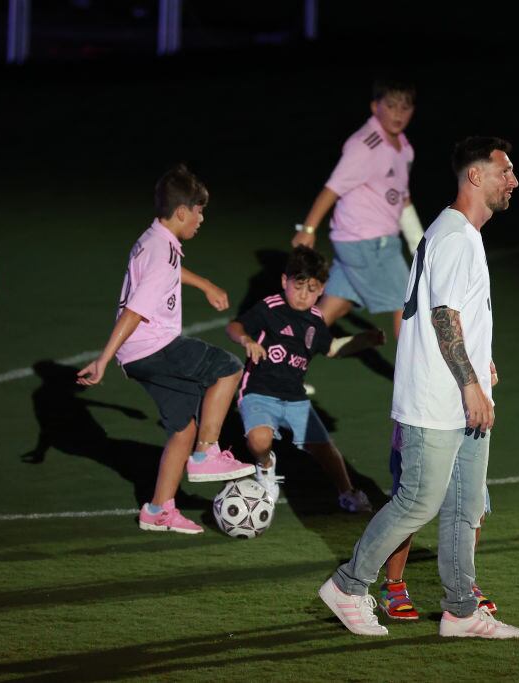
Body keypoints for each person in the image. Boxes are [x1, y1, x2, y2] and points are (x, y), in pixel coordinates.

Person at [318, 136, 519, 639]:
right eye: (505, 172)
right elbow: (442, 315)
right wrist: (472, 385)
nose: (513, 181)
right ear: (476, 176)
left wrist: (481, 364)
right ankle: (348, 585)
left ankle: (460, 609)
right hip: (439, 401)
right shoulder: (456, 237)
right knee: (417, 502)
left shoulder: (457, 234)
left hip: (460, 394)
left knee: (463, 506)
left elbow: (457, 315)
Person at [77, 164, 256, 535]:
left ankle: (158, 509)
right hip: (152, 346)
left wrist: (204, 283)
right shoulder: (162, 251)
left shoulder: (156, 239)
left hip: (139, 353)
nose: (202, 218)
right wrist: (103, 359)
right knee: (227, 366)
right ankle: (207, 452)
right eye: (199, 210)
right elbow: (135, 311)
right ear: (181, 212)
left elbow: (169, 271)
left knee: (181, 428)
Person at [225, 246, 384, 511]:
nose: (303, 295)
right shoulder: (270, 307)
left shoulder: (316, 320)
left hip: (295, 397)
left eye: (311, 289)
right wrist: (246, 339)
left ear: (321, 290)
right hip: (258, 391)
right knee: (259, 440)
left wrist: (363, 340)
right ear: (284, 282)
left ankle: (347, 492)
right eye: (298, 286)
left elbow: (332, 348)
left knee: (325, 449)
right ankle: (266, 466)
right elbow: (234, 326)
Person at [291, 78, 423, 339]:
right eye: (392, 106)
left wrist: (420, 243)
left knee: (330, 310)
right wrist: (307, 229)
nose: (398, 114)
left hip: (359, 243)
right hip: (368, 244)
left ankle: (284, 366)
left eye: (405, 107)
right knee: (407, 304)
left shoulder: (404, 148)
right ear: (375, 107)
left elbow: (402, 199)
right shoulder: (365, 145)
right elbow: (332, 188)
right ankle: (412, 380)